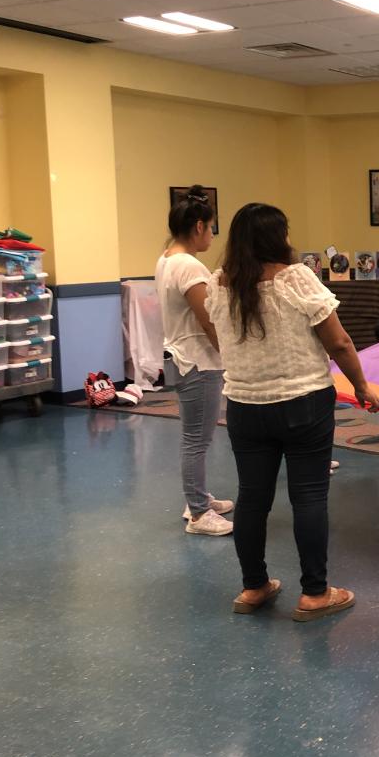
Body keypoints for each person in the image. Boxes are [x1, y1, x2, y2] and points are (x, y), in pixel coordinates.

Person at [205, 203, 379, 622]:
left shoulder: (219, 284)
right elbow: (338, 342)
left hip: (245, 406)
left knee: (252, 499)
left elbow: (218, 336)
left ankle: (253, 587)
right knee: (308, 496)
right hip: (304, 403)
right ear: (275, 237)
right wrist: (361, 385)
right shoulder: (295, 278)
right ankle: (316, 594)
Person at [155, 186, 233, 537]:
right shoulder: (188, 265)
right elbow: (208, 318)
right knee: (197, 440)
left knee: (195, 436)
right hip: (199, 362)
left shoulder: (166, 258)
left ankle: (197, 497)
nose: (213, 235)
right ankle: (199, 513)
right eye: (211, 228)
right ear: (199, 226)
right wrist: (231, 356)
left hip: (184, 357)